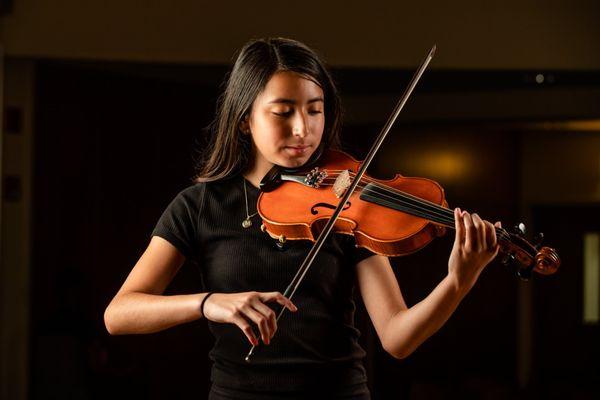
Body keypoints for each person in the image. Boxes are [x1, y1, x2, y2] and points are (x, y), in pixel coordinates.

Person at [103, 37, 501, 399]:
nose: (302, 129)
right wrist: (208, 303)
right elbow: (119, 314)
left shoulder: (347, 202)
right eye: (283, 112)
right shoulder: (200, 206)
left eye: (315, 110)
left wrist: (457, 281)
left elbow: (398, 337)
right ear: (245, 119)